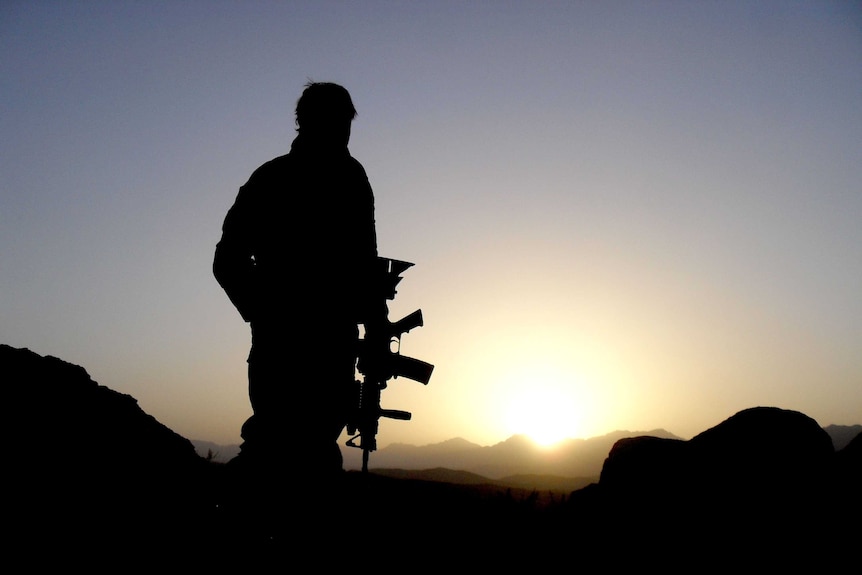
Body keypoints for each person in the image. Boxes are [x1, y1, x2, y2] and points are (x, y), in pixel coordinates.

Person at [213, 82, 383, 490]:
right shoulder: (275, 180)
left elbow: (365, 264)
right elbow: (227, 261)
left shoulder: (349, 178)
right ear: (306, 123)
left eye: (345, 125)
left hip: (329, 345)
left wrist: (376, 331)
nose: (342, 134)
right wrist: (268, 313)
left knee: (311, 453)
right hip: (288, 348)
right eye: (336, 124)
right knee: (278, 451)